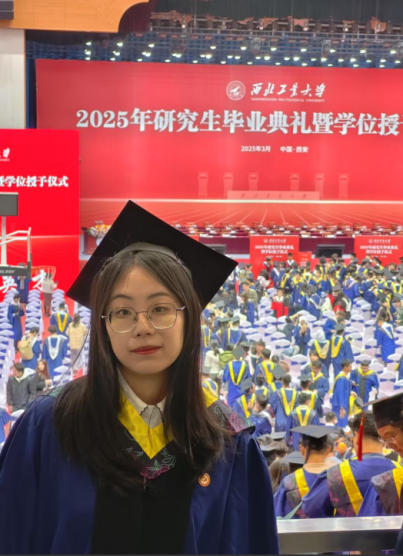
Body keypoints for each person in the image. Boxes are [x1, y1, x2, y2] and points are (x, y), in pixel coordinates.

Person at [0, 202, 279, 554]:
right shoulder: (49, 425)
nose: (142, 327)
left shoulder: (227, 441)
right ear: (103, 325)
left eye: (160, 308)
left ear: (189, 317)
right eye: (123, 312)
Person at [302, 412, 399, 518]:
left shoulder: (336, 474)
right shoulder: (399, 470)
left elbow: (311, 508)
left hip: (346, 528)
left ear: (357, 436)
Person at [275, 426, 335, 518]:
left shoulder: (290, 481)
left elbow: (277, 516)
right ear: (328, 449)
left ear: (302, 449)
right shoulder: (339, 477)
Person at [331, 359, 354, 428]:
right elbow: (340, 393)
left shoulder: (344, 377)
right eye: (350, 366)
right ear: (345, 367)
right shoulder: (342, 379)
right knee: (340, 423)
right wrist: (341, 407)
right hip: (340, 405)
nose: (351, 368)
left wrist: (350, 392)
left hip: (343, 404)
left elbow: (345, 389)